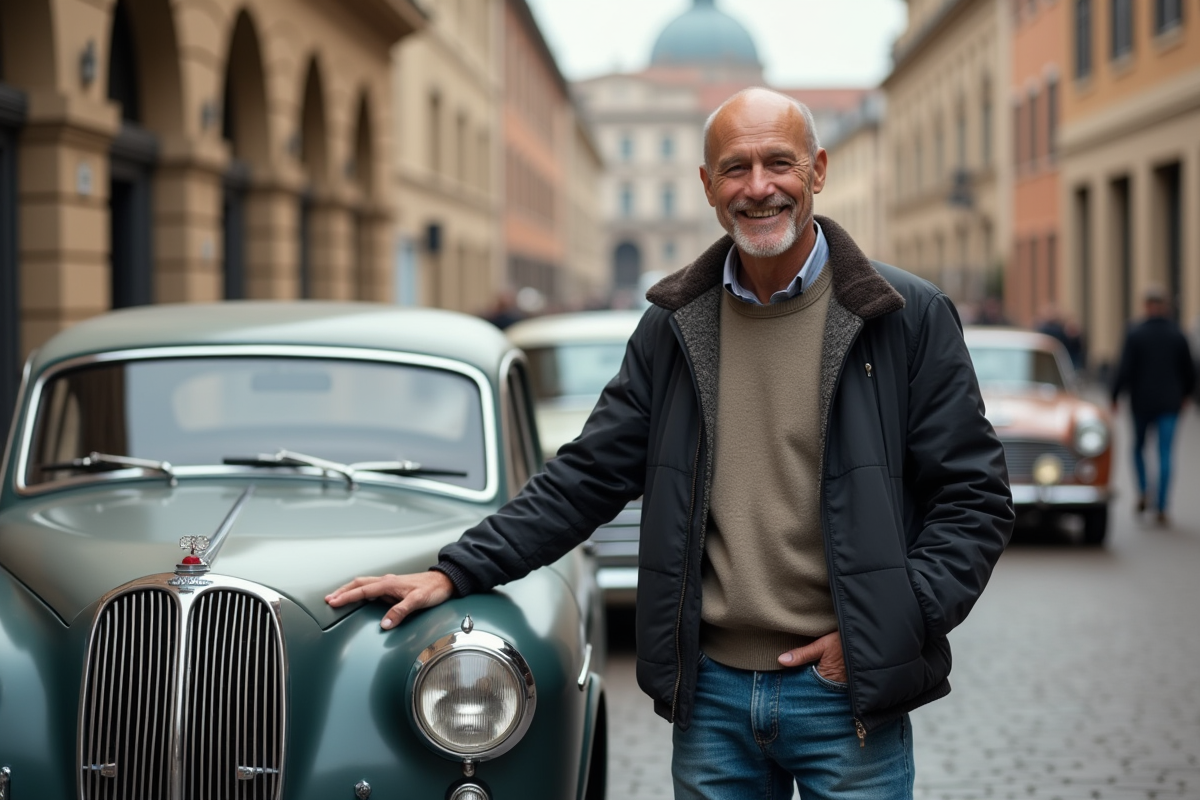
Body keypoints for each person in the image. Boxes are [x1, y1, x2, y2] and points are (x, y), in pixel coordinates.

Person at [327, 88, 1013, 799]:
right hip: (711, 698)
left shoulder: (904, 317)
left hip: (845, 695)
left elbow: (975, 501)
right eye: (735, 168)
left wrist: (880, 634)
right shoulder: (675, 324)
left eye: (779, 163)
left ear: (817, 171)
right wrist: (457, 571)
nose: (758, 187)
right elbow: (588, 475)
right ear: (708, 185)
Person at [1110, 288, 1195, 526]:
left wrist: (1115, 396)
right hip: (1170, 402)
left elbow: (1124, 368)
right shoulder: (1177, 334)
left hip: (1141, 401)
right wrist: (1187, 394)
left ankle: (1144, 490)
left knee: (1138, 447)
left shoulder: (1135, 333)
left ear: (1146, 306)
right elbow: (1189, 369)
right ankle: (1162, 504)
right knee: (1165, 452)